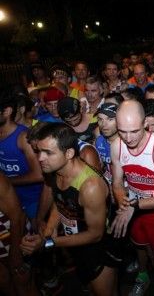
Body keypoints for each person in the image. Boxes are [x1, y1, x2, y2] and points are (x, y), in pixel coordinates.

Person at [20, 123, 118, 295]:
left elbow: (95, 234)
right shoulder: (55, 171)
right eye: (39, 151)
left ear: (69, 153)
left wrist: (48, 243)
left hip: (98, 251)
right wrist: (48, 231)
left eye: (48, 153)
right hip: (76, 246)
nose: (40, 158)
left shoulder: (90, 187)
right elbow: (61, 203)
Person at [110, 100, 154, 296]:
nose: (128, 137)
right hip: (135, 212)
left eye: (134, 131)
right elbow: (116, 182)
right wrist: (123, 203)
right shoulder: (117, 145)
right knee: (145, 253)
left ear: (145, 125)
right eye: (122, 131)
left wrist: (135, 205)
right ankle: (144, 278)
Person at [0, 88, 44, 222]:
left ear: (7, 112)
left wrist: (7, 182)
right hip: (8, 199)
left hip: (32, 201)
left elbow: (39, 175)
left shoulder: (23, 137)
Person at [0, 172, 38, 296]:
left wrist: (15, 253)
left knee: (23, 284)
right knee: (5, 283)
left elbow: (18, 217)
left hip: (15, 236)